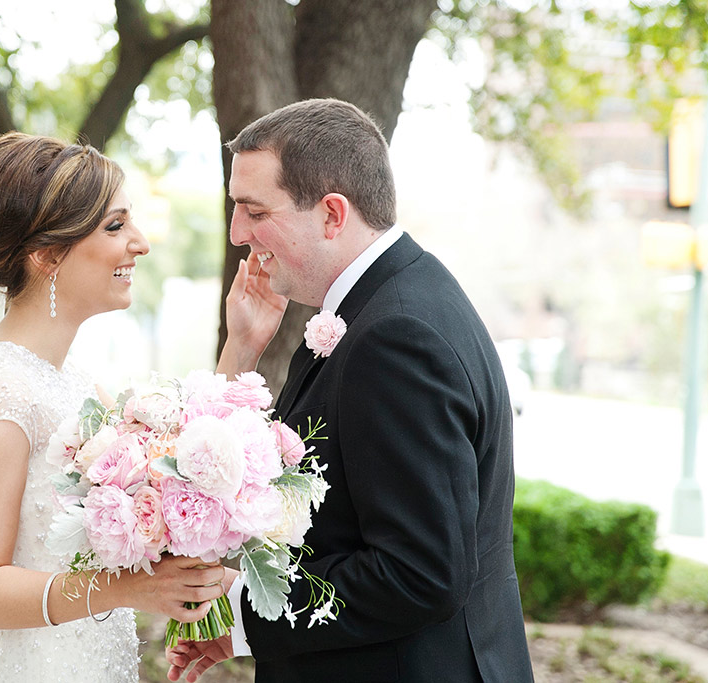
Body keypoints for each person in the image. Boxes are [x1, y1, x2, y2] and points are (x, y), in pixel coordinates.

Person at [0, 132, 280, 681]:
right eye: (115, 225)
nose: (141, 242)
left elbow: (174, 477)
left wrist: (241, 344)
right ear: (46, 255)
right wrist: (130, 588)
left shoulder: (72, 378)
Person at [166, 99, 534, 682]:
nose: (238, 234)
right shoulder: (386, 304)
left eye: (254, 211)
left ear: (332, 214)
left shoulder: (395, 337)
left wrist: (244, 613)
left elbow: (419, 574)